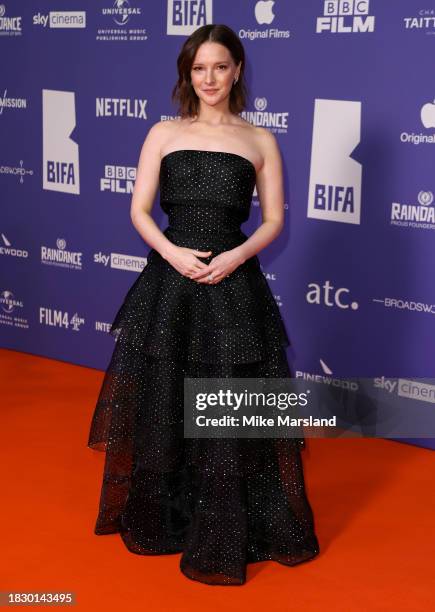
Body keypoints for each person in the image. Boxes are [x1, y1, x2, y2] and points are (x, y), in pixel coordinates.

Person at [87, 23, 320, 586]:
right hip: (171, 281)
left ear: (237, 70)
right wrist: (171, 252)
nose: (209, 78)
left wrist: (235, 257)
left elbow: (273, 221)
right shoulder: (163, 132)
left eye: (220, 66)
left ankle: (226, 526)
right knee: (166, 401)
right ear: (186, 75)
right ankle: (166, 519)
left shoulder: (260, 139)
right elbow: (141, 210)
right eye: (198, 69)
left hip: (232, 280)